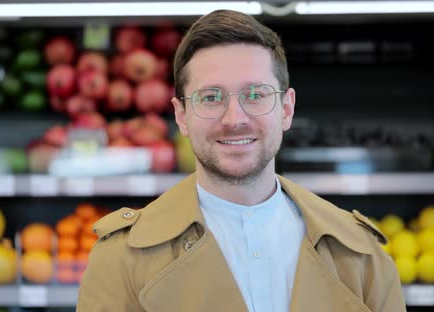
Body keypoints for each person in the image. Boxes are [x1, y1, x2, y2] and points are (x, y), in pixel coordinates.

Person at [77, 9, 405, 312]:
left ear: (286, 109)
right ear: (182, 116)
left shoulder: (362, 255)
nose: (235, 119)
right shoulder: (119, 259)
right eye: (211, 97)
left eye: (255, 94)